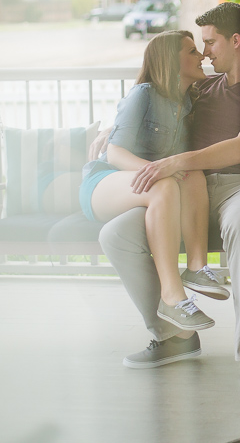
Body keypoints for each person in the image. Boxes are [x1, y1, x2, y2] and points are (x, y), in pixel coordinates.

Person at [97, 3, 240, 398]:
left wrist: (176, 162)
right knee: (115, 234)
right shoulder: (201, 87)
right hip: (184, 194)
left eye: (210, 43)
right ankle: (173, 336)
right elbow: (153, 102)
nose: (205, 53)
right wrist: (111, 129)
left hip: (237, 188)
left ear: (236, 41)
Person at [81, 30, 228, 334]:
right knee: (165, 183)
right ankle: (171, 296)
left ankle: (198, 267)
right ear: (169, 61)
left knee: (190, 171)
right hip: (105, 181)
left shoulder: (189, 101)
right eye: (191, 52)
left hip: (140, 185)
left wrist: (167, 169)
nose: (201, 56)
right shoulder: (144, 94)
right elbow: (115, 153)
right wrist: (156, 169)